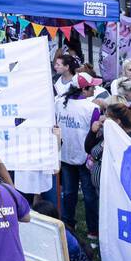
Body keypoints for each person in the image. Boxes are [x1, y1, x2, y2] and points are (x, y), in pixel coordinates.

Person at [56, 76, 100, 239]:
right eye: (91, 87)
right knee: (89, 196)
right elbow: (95, 134)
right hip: (85, 157)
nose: (94, 90)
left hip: (66, 155)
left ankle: (68, 224)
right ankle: (93, 231)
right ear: (83, 89)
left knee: (69, 192)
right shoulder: (91, 108)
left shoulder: (59, 103)